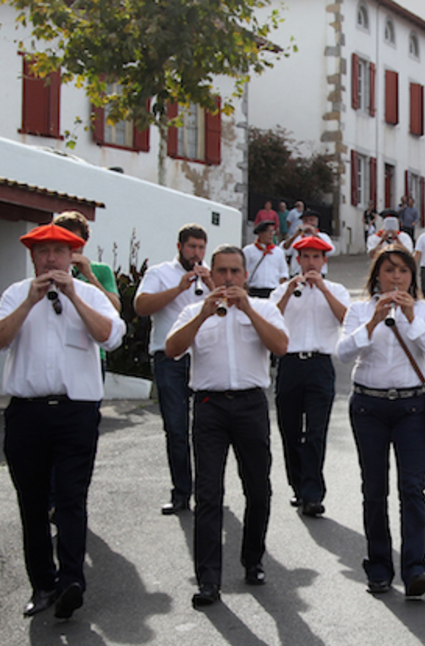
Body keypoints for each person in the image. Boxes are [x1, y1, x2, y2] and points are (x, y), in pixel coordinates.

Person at [0, 224, 125, 619]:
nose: (51, 259)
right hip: (26, 412)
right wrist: (29, 303)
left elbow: (111, 337)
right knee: (31, 503)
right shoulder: (15, 293)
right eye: (43, 252)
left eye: (58, 252)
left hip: (75, 412)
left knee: (69, 498)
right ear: (33, 258)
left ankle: (72, 581)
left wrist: (75, 296)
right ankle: (42, 585)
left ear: (72, 258)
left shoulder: (92, 295)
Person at [164, 244, 289, 608]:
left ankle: (253, 559)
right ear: (211, 273)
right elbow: (172, 349)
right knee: (208, 494)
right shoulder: (192, 310)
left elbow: (281, 346)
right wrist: (202, 315)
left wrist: (248, 308)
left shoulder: (263, 308)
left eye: (236, 272)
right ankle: (208, 580)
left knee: (258, 488)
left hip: (250, 404)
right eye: (222, 271)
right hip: (209, 406)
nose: (229, 278)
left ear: (246, 276)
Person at [336, 245, 425, 597]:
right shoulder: (359, 310)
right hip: (369, 406)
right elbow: (343, 353)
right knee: (374, 489)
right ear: (377, 276)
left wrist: (411, 319)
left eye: (402, 271)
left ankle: (415, 568)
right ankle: (379, 566)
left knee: (412, 489)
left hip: (411, 407)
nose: (396, 277)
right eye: (389, 271)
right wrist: (371, 322)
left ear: (412, 276)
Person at [135, 224, 213, 515]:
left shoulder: (212, 274)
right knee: (176, 427)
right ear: (179, 247)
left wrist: (213, 285)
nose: (196, 253)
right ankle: (181, 492)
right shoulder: (159, 273)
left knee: (207, 430)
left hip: (204, 357)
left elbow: (233, 306)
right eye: (192, 247)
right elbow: (141, 306)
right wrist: (179, 287)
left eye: (201, 248)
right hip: (169, 359)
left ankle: (209, 491)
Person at [271, 236, 350, 516]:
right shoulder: (282, 290)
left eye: (316, 257)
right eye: (306, 257)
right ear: (297, 260)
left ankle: (313, 493)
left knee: (316, 432)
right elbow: (270, 320)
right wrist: (288, 291)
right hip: (290, 364)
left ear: (324, 261)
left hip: (320, 365)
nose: (311, 263)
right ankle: (298, 485)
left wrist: (323, 290)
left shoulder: (337, 290)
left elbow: (346, 320)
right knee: (290, 432)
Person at [52, 211, 121, 313]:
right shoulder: (49, 267)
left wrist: (89, 276)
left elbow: (115, 308)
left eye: (75, 241)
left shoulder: (101, 270)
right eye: (64, 241)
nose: (71, 247)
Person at [243, 221, 289, 298]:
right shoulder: (248, 251)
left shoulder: (279, 252)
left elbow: (283, 273)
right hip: (254, 290)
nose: (271, 234)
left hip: (273, 290)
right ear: (260, 234)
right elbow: (243, 271)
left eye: (272, 231)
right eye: (268, 231)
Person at [282, 210, 334, 276]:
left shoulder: (323, 236)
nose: (308, 223)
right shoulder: (296, 238)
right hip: (297, 273)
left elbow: (330, 251)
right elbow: (284, 250)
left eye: (311, 220)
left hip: (318, 274)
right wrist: (295, 234)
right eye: (306, 220)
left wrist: (314, 234)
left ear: (316, 222)